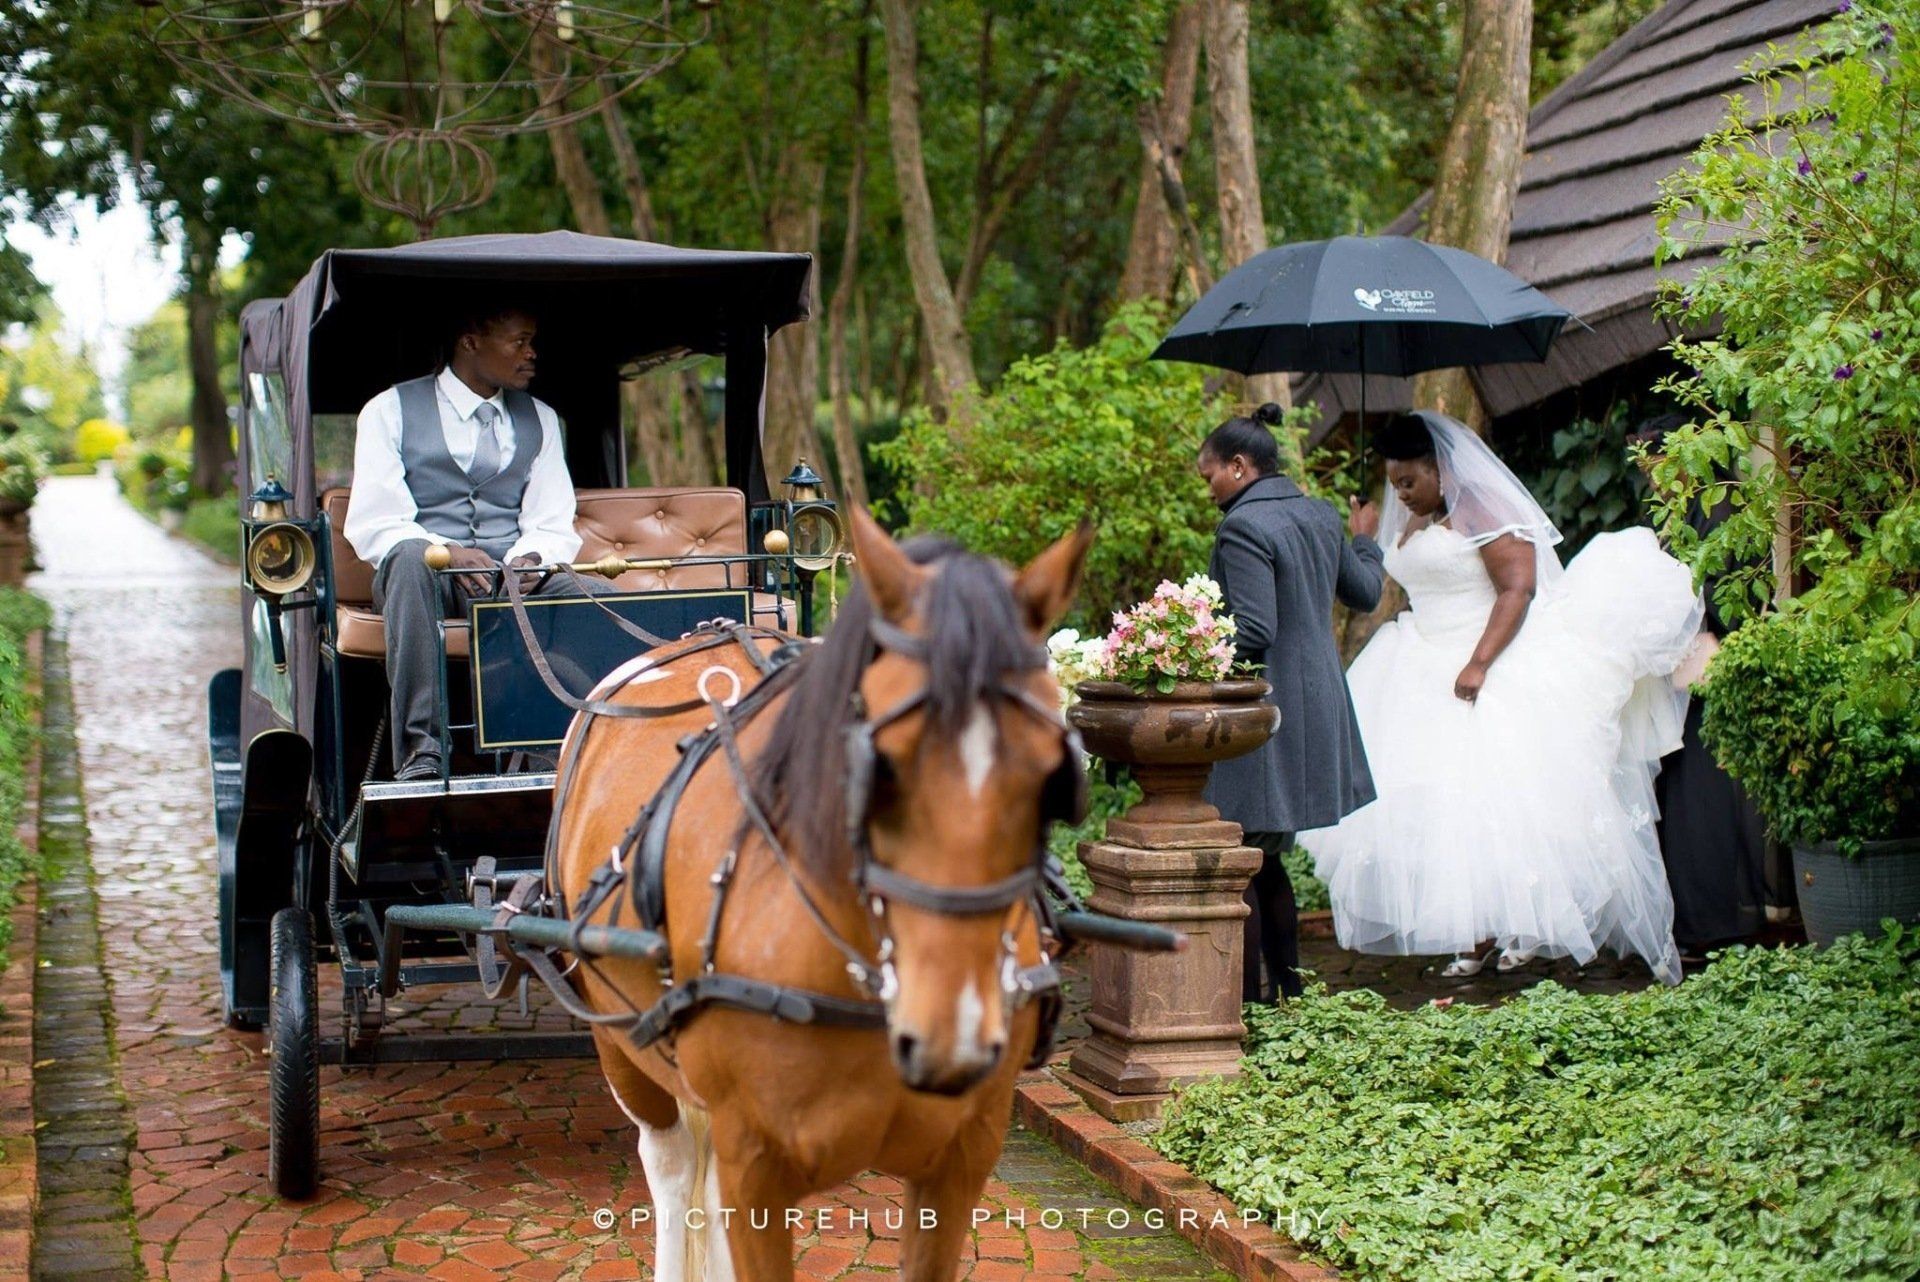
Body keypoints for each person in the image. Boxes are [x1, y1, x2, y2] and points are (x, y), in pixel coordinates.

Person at [1301, 411, 1702, 985]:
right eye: (1393, 485)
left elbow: (1519, 586)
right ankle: (1471, 934)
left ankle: (1522, 930)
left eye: (1409, 482)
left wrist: (1479, 662)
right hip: (1416, 663)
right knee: (1436, 811)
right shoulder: (1414, 522)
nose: (1402, 495)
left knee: (1498, 804)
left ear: (1440, 469)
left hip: (1486, 660)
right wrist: (1365, 539)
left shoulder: (1485, 512)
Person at [344, 303, 589, 781]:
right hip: (427, 579)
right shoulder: (388, 410)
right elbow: (378, 520)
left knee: (598, 598)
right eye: (519, 341)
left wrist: (527, 561)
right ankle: (423, 752)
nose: (531, 353)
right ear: (470, 341)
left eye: (531, 341)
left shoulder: (540, 418)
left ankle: (577, 747)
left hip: (511, 579)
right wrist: (448, 553)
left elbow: (553, 521)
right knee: (410, 558)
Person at [1195, 403, 1384, 1001]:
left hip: (1262, 711)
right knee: (1265, 856)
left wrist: (1186, 641)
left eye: (1210, 477)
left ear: (1240, 466)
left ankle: (1246, 1004)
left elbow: (1253, 629)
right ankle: (1289, 996)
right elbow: (1367, 593)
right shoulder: (1321, 515)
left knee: (1243, 859)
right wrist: (1363, 542)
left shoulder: (1242, 526)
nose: (1209, 492)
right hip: (1319, 700)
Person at [1631, 417, 1768, 957]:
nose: (1650, 478)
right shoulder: (1674, 513)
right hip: (1677, 672)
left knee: (1702, 797)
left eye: (1654, 463)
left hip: (1706, 668)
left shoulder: (1720, 510)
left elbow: (1722, 594)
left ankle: (1712, 922)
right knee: (1683, 795)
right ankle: (1693, 918)